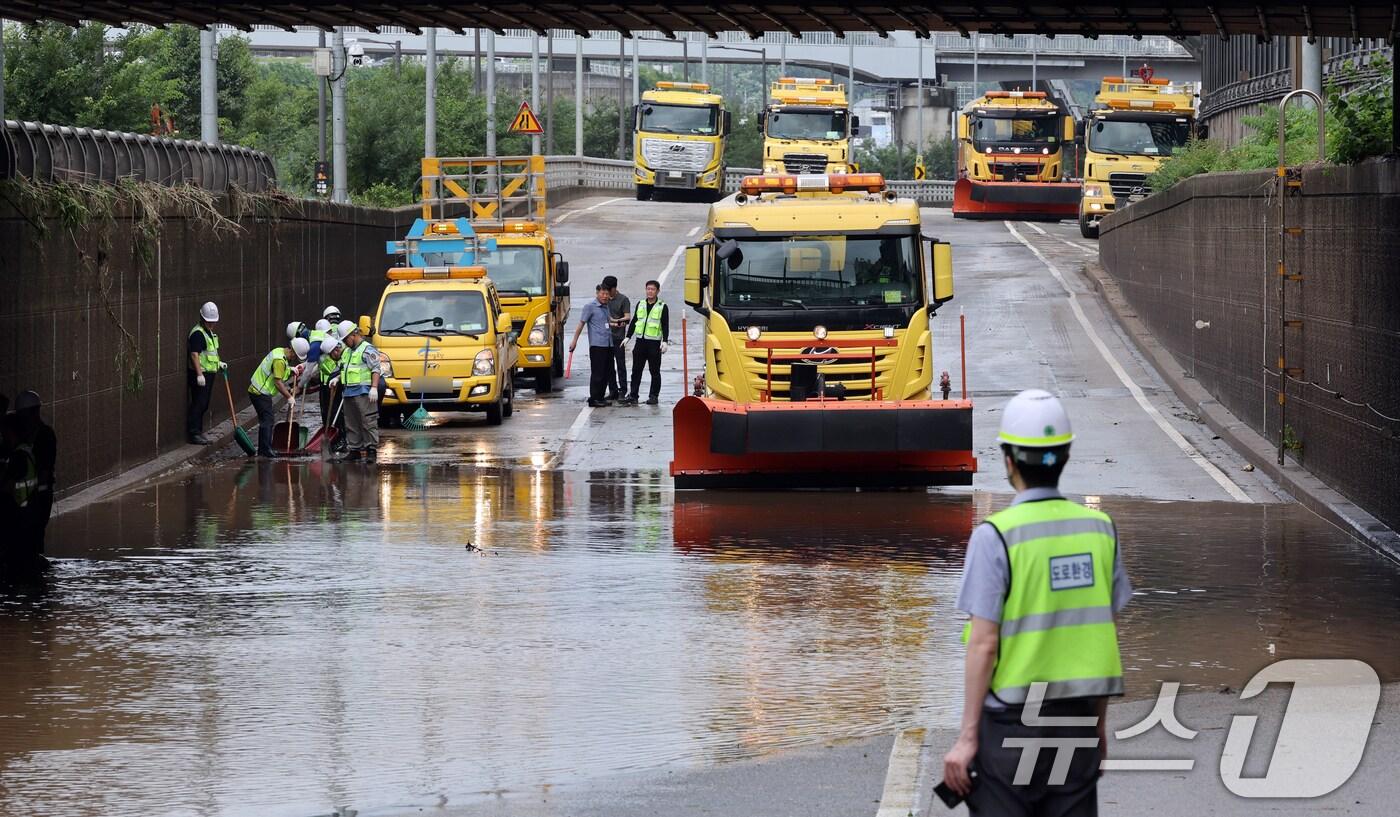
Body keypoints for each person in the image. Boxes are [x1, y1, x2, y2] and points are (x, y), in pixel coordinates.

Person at [942, 389, 1131, 816]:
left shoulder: (997, 536)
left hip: (1011, 727)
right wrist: (1097, 727)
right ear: (1063, 456)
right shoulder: (1100, 531)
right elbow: (1102, 633)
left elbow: (984, 644)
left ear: (1009, 461)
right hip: (1077, 723)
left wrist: (968, 736)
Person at [247, 337, 310, 459]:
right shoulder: (279, 360)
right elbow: (278, 382)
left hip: (258, 390)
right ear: (292, 351)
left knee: (265, 420)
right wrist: (288, 397)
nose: (294, 359)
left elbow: (279, 370)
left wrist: (291, 370)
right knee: (268, 420)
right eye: (295, 356)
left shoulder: (279, 351)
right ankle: (265, 450)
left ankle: (263, 448)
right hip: (260, 392)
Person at [13, 390, 56, 556]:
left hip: (38, 497)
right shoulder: (27, 435)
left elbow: (44, 468)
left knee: (34, 535)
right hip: (28, 496)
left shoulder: (44, 435)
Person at [1, 412, 42, 572]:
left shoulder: (18, 457)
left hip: (19, 519)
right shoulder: (27, 451)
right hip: (29, 516)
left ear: (10, 432)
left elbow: (7, 488)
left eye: (3, 432)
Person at [336, 322, 383, 463]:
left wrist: (374, 388)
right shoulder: (348, 351)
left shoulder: (367, 349)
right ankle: (355, 449)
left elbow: (375, 369)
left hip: (364, 392)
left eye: (345, 339)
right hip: (349, 392)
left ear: (354, 335)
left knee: (368, 421)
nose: (344, 342)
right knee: (351, 422)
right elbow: (345, 368)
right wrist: (337, 378)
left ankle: (371, 450)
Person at [622, 279, 669, 406]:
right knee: (636, 370)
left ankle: (653, 396)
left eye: (652, 289)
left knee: (655, 371)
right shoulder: (641, 304)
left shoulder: (662, 306)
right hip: (640, 343)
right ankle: (633, 395)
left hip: (654, 344)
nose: (650, 291)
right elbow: (634, 321)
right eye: (648, 289)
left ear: (657, 291)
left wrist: (665, 341)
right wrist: (628, 337)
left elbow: (665, 325)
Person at [569, 284, 615, 408]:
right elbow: (581, 324)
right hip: (597, 345)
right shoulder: (590, 307)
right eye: (603, 294)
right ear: (597, 293)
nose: (605, 296)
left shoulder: (606, 307)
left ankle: (601, 397)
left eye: (607, 294)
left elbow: (608, 323)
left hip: (608, 344)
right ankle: (594, 398)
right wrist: (574, 341)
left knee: (606, 372)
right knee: (598, 373)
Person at [187, 301, 226, 445]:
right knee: (199, 403)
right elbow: (194, 355)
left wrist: (219, 363)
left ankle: (198, 431)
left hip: (209, 373)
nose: (211, 324)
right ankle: (194, 433)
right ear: (202, 318)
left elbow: (211, 352)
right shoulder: (198, 334)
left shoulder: (208, 332)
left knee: (204, 404)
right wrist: (199, 374)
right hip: (201, 374)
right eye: (209, 321)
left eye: (213, 322)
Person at [602, 275, 631, 401]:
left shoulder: (623, 300)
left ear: (614, 288)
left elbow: (627, 317)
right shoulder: (604, 299)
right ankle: (612, 390)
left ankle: (623, 389)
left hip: (618, 338)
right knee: (608, 366)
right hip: (605, 338)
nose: (606, 293)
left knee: (620, 365)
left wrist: (615, 321)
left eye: (609, 290)